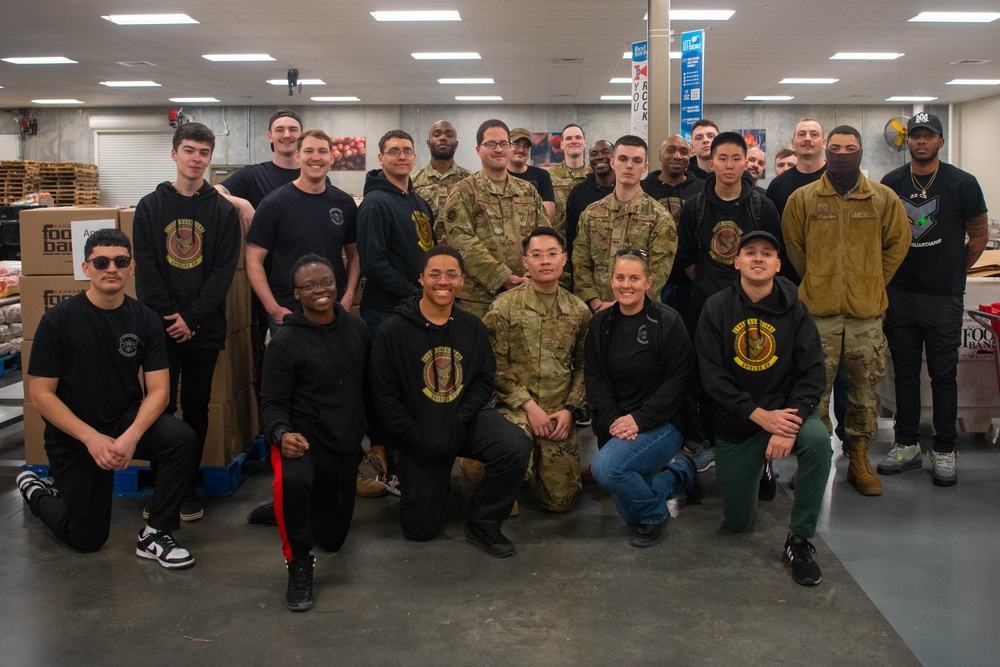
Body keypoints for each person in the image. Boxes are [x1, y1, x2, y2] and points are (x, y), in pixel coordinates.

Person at [18, 229, 199, 568]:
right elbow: (41, 395)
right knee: (86, 540)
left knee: (180, 438)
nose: (111, 268)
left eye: (120, 261)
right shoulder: (58, 321)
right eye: (101, 261)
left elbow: (159, 390)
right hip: (74, 436)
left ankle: (156, 532)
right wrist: (91, 438)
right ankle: (36, 490)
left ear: (132, 268)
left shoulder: (144, 319)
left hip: (123, 421)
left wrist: (130, 438)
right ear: (86, 268)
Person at [369, 246, 532, 556]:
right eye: (434, 274)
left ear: (461, 281)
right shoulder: (393, 331)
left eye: (451, 275)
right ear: (420, 279)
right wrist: (415, 435)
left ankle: (483, 521)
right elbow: (384, 396)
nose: (443, 281)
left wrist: (460, 419)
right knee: (421, 531)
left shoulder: (472, 327)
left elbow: (483, 380)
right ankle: (433, 482)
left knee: (515, 445)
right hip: (417, 431)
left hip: (462, 420)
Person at [695, 230, 832, 586]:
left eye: (767, 253)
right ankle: (762, 468)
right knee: (738, 523)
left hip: (787, 414)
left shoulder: (796, 309)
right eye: (750, 252)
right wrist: (759, 416)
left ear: (778, 264)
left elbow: (813, 372)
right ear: (736, 261)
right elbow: (712, 378)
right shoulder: (716, 308)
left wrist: (790, 421)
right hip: (740, 421)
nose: (758, 258)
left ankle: (799, 540)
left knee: (818, 442)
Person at [783, 125, 911, 496]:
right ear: (826, 149)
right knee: (813, 392)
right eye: (835, 147)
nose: (842, 154)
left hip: (865, 316)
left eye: (850, 148)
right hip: (817, 315)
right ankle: (814, 459)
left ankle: (859, 458)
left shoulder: (882, 199)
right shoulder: (803, 199)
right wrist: (819, 280)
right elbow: (795, 248)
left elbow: (897, 244)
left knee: (863, 393)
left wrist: (871, 280)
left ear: (859, 153)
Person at [261, 254, 383, 612]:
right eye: (309, 286)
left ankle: (281, 510)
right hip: (303, 441)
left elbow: (370, 393)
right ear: (296, 294)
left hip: (344, 442)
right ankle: (298, 563)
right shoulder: (284, 343)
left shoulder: (358, 330)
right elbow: (271, 405)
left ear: (339, 283)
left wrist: (377, 442)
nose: (320, 290)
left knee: (333, 539)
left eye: (326, 281)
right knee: (292, 483)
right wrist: (282, 433)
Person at [133, 122, 240, 522]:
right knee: (158, 408)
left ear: (210, 159)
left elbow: (223, 272)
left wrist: (191, 318)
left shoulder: (222, 211)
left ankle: (187, 487)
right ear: (174, 153)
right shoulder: (149, 206)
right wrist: (169, 317)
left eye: (204, 153)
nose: (196, 159)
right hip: (158, 329)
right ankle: (164, 489)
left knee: (196, 408)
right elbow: (146, 270)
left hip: (203, 329)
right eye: (190, 151)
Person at [877, 112, 989, 486]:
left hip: (943, 296)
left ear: (941, 141)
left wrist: (958, 268)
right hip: (901, 294)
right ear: (906, 142)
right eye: (914, 136)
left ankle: (944, 449)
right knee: (905, 372)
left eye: (929, 136)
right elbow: (883, 236)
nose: (921, 141)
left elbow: (978, 233)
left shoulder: (962, 183)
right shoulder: (891, 184)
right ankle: (906, 443)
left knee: (943, 375)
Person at [585, 249, 702, 547]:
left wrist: (638, 419)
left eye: (634, 278)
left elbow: (678, 384)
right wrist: (613, 421)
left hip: (664, 422)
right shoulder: (601, 324)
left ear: (648, 282)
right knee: (628, 513)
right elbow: (595, 378)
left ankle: (655, 514)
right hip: (618, 424)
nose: (626, 284)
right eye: (620, 277)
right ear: (611, 281)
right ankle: (683, 473)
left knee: (606, 469)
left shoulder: (667, 322)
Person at [485, 227, 590, 512]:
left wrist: (570, 410)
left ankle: (535, 467)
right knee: (511, 453)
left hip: (558, 412)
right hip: (515, 408)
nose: (545, 260)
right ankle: (481, 465)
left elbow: (584, 367)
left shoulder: (579, 311)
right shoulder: (504, 307)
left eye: (552, 253)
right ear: (525, 262)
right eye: (537, 255)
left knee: (560, 502)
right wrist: (529, 406)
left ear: (564, 258)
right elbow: (493, 363)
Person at [246, 129, 360, 333]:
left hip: (332, 310)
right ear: (298, 156)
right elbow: (253, 260)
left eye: (322, 151)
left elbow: (354, 254)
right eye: (309, 151)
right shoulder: (274, 204)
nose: (316, 157)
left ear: (331, 158)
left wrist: (349, 294)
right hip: (289, 314)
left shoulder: (344, 203)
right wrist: (273, 308)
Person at [443, 119, 547, 319]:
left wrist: (530, 275)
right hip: (479, 301)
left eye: (503, 144)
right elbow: (462, 242)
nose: (498, 149)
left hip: (526, 294)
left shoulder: (527, 191)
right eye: (491, 144)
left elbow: (543, 237)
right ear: (478, 149)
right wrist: (501, 277)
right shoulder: (463, 192)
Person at [573, 135, 676, 313]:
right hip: (596, 312)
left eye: (636, 161)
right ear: (612, 162)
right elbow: (580, 261)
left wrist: (620, 305)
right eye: (623, 159)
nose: (629, 166)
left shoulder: (660, 217)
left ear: (645, 167)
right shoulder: (591, 213)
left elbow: (658, 273)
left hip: (641, 313)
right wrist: (595, 301)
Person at [357, 129, 435, 333]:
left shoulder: (419, 202)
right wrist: (415, 293)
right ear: (381, 158)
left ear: (415, 158)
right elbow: (373, 264)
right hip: (386, 310)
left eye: (407, 151)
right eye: (394, 151)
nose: (402, 156)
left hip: (417, 305)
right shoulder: (375, 203)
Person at [215, 109, 303, 233]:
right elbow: (213, 193)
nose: (287, 135)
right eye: (279, 130)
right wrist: (241, 203)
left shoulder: (314, 178)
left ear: (302, 136)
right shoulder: (253, 175)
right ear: (270, 136)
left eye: (293, 129)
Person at [411, 120, 471, 243]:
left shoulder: (470, 181)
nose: (443, 138)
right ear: (428, 143)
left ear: (456, 144)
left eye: (449, 135)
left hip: (463, 254)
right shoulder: (412, 182)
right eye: (437, 135)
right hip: (424, 254)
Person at [766, 118, 827, 217]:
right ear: (793, 142)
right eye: (802, 134)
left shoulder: (837, 178)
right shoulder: (777, 185)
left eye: (814, 134)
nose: (807, 138)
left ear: (824, 143)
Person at [546, 123, 591, 234]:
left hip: (589, 241)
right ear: (561, 144)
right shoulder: (548, 176)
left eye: (578, 137)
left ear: (584, 143)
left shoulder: (595, 175)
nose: (574, 141)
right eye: (568, 138)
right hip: (558, 242)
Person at [508, 127, 556, 223]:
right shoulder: (499, 175)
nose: (521, 150)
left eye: (526, 146)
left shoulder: (542, 176)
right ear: (507, 145)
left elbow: (548, 216)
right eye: (516, 144)